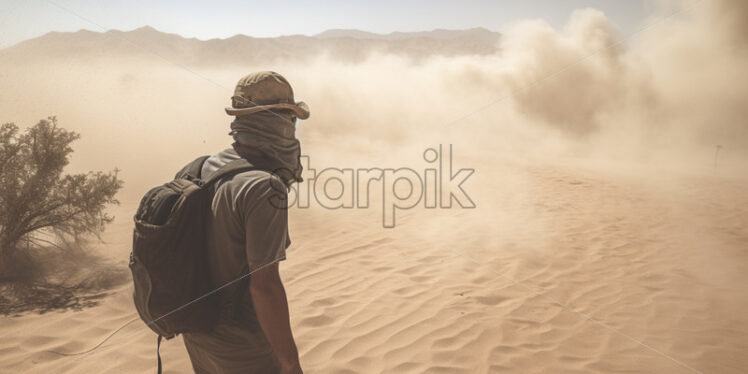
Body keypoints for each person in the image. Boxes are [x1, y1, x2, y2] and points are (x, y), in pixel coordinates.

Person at [181, 71, 309, 374]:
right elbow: (264, 287)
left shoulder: (198, 167)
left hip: (198, 334)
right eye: (291, 118)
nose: (293, 128)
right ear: (276, 120)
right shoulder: (264, 187)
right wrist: (290, 362)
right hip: (241, 345)